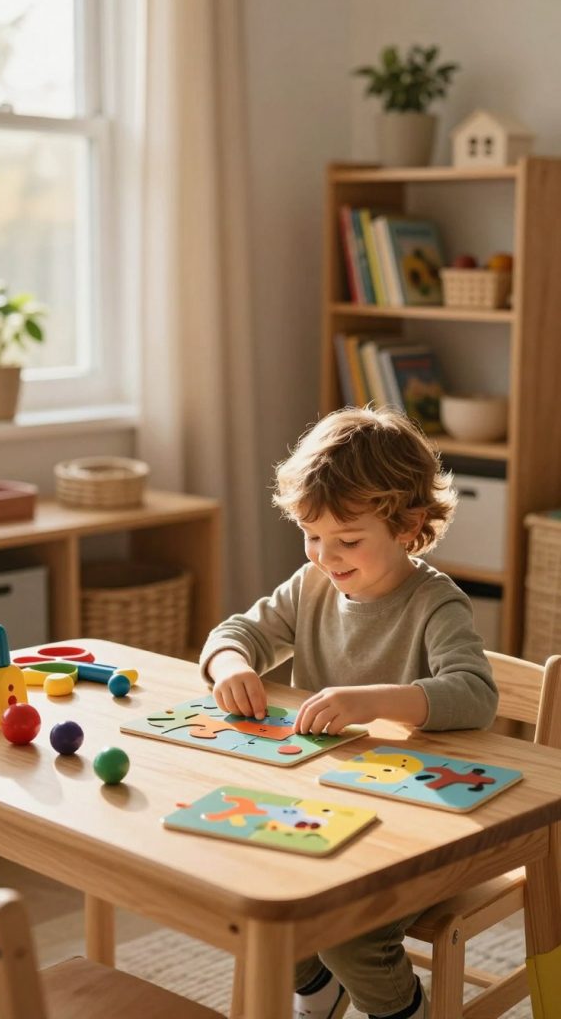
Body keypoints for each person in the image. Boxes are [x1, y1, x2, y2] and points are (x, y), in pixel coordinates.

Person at [199, 405, 498, 1019]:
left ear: (409, 526)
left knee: (350, 931)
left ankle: (399, 1010)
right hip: (320, 813)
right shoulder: (309, 587)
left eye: (348, 540)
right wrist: (230, 665)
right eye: (311, 535)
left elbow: (475, 694)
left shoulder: (436, 604)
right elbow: (235, 632)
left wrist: (374, 701)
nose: (324, 557)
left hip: (418, 827)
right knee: (254, 896)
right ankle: (318, 989)